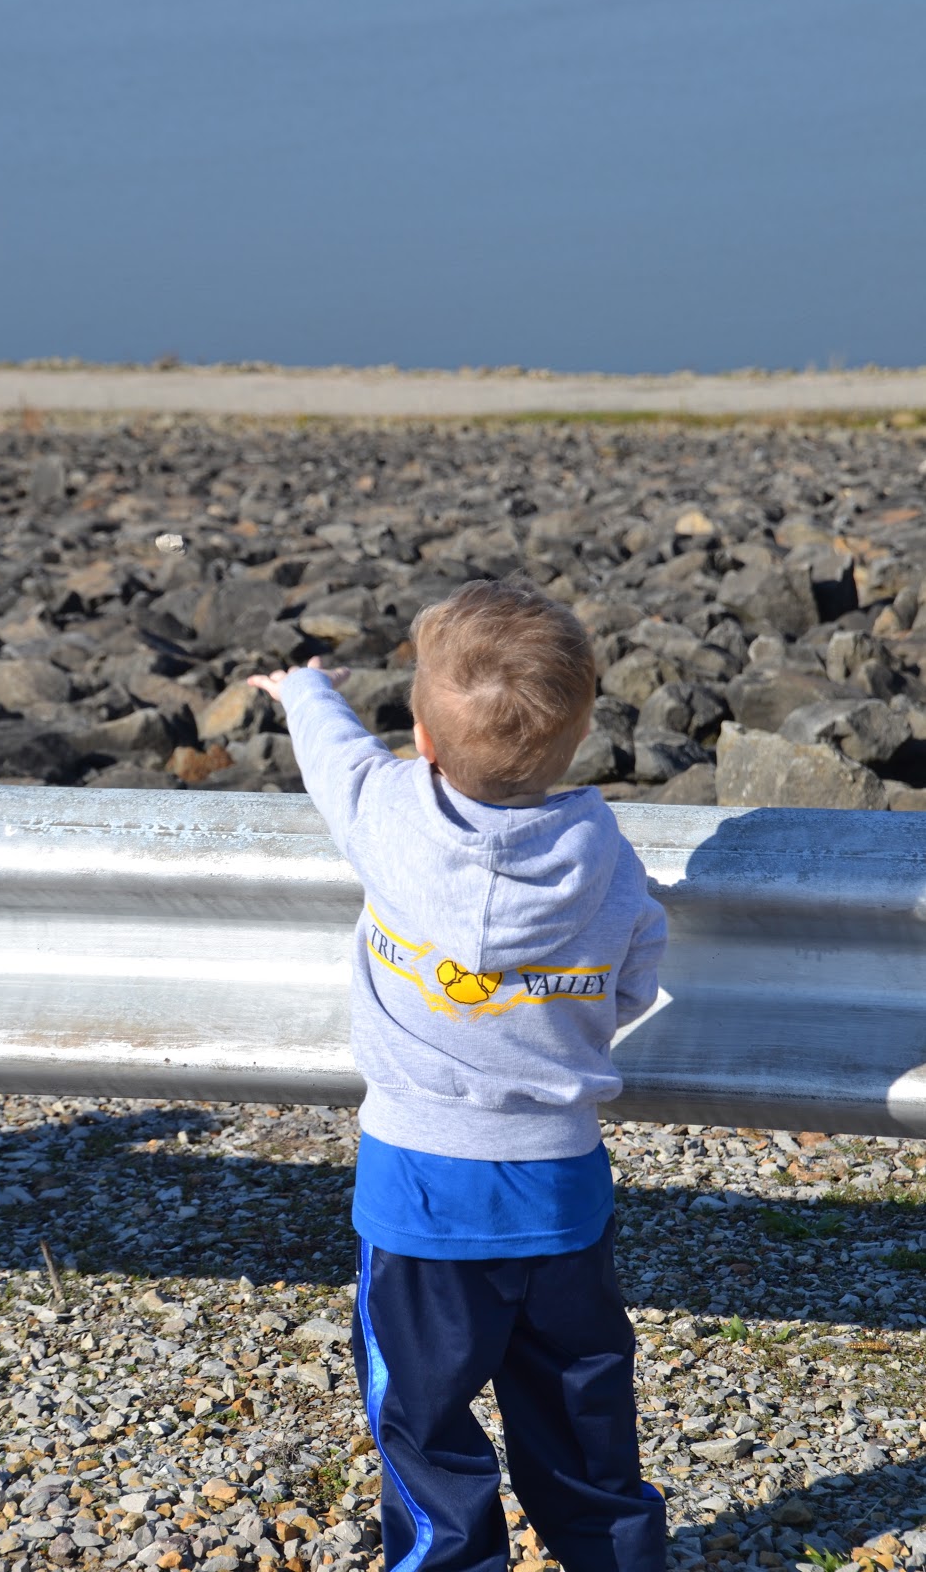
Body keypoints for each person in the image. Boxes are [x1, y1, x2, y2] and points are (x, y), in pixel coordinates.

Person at [248, 578, 667, 1572]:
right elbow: (635, 982)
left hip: (420, 1189)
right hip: (559, 1184)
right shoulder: (602, 855)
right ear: (578, 735)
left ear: (423, 740)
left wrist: (304, 688)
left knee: (423, 1418)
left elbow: (336, 758)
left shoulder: (389, 815)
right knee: (578, 1405)